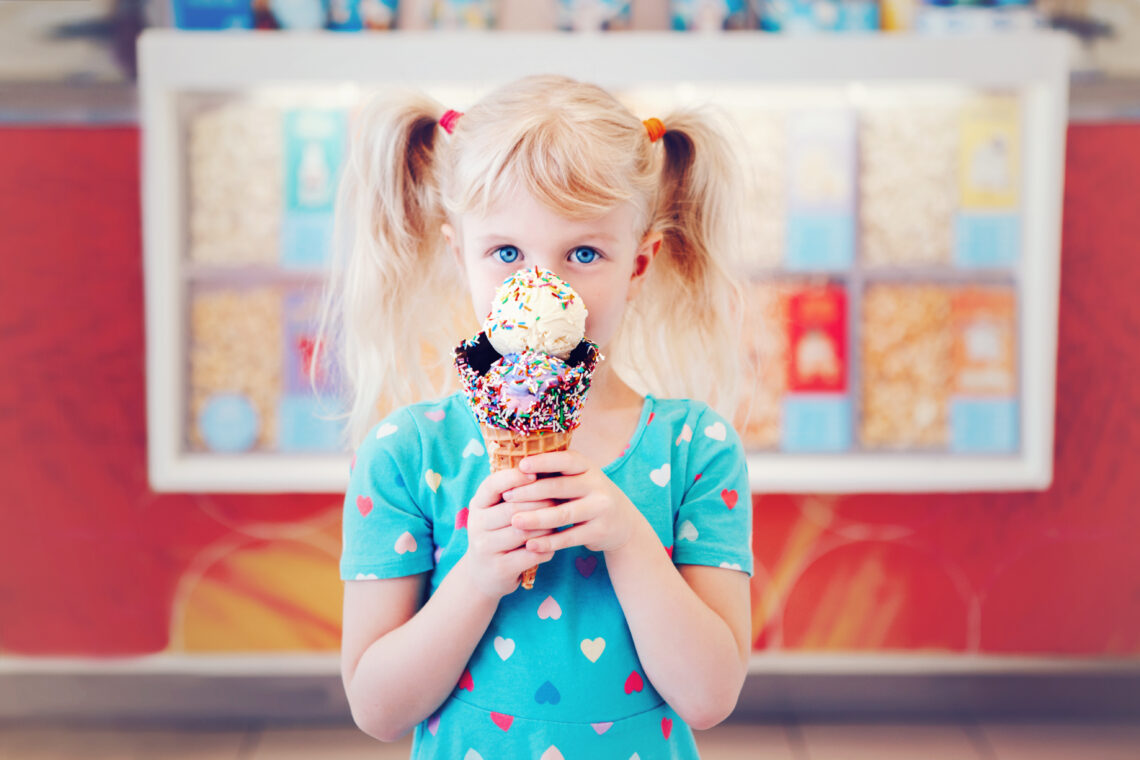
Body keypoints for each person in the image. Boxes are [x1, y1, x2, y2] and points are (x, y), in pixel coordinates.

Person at [317, 73, 754, 759]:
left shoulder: (696, 448)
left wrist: (629, 540)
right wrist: (478, 573)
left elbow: (711, 697)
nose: (541, 287)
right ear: (458, 251)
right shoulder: (407, 452)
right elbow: (378, 709)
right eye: (506, 252)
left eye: (584, 253)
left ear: (639, 264)